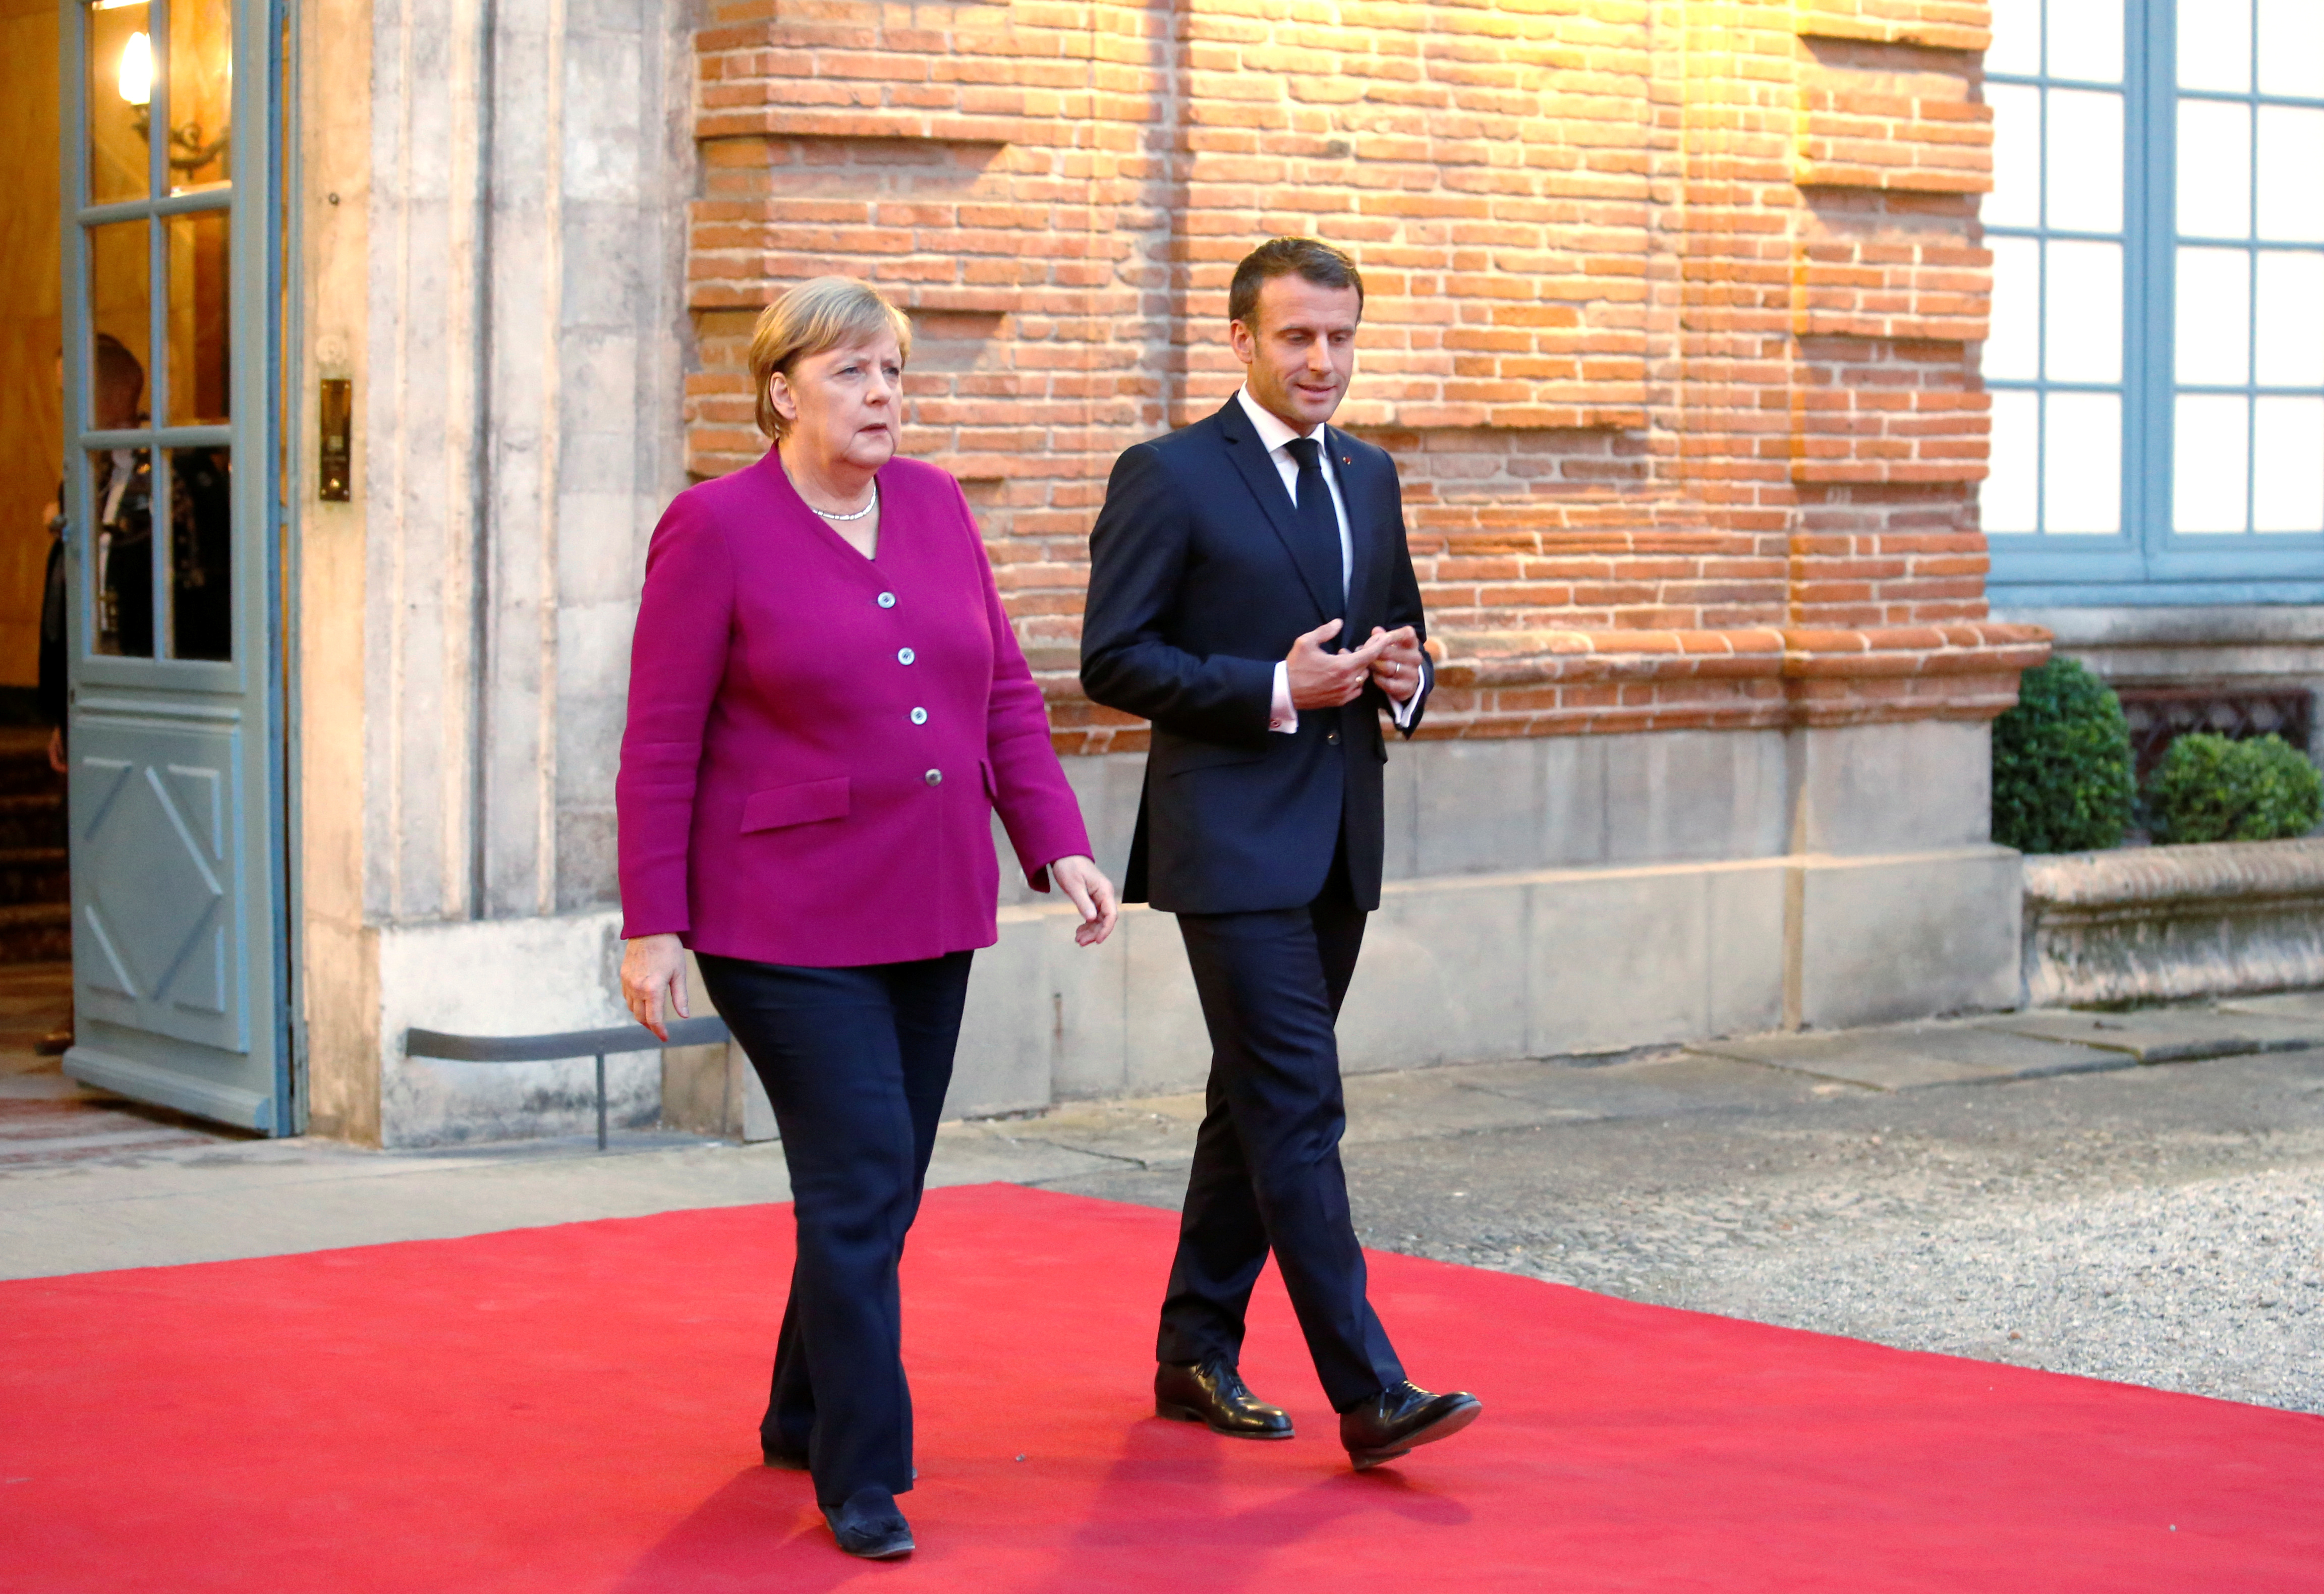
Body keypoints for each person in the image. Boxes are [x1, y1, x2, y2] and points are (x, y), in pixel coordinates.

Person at [616, 276, 1118, 1561]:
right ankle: (862, 1469)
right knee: (854, 1183)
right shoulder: (713, 527)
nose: (883, 393)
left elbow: (1004, 689)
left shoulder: (941, 506)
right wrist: (652, 921)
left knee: (879, 1188)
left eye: (893, 370)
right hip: (776, 918)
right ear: (782, 391)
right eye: (852, 372)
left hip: (931, 901)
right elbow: (662, 742)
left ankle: (797, 1405)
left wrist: (1055, 842)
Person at [1080, 238, 1481, 1470]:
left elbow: (1394, 628)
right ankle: (1370, 1388)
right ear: (1243, 339)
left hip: (1338, 840)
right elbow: (1113, 659)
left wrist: (1405, 677)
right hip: (1229, 841)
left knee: (1247, 1101)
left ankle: (1193, 1346)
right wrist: (1272, 685)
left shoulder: (1371, 472)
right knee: (1299, 1100)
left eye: (1342, 337)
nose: (1323, 360)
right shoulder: (1170, 475)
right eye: (1299, 336)